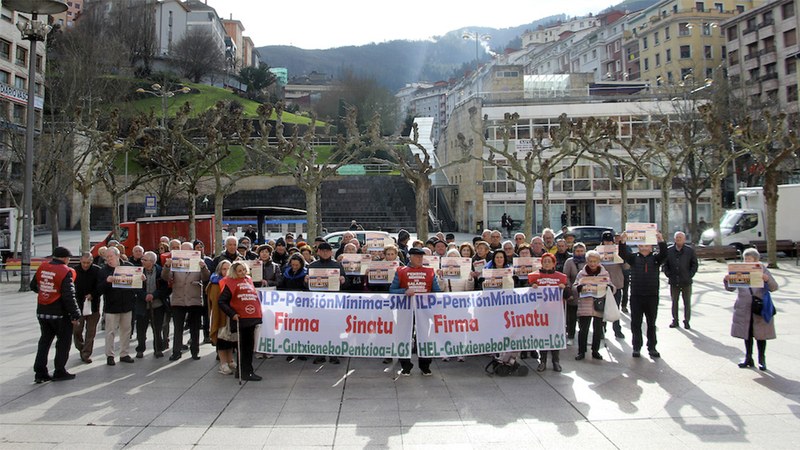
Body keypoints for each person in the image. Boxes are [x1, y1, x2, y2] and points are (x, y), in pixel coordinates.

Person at [31, 247, 81, 383]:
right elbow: (69, 296)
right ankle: (59, 370)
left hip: (42, 311)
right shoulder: (66, 271)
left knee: (44, 342)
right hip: (60, 314)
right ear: (65, 258)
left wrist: (47, 292)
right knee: (63, 342)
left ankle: (40, 372)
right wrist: (75, 314)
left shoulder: (42, 267)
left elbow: (33, 286)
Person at [390, 247, 442, 376]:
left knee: (425, 338)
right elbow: (392, 290)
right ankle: (405, 366)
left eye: (421, 257)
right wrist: (404, 291)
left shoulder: (429, 271)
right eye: (417, 256)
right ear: (410, 257)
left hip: (424, 311)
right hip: (406, 310)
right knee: (404, 337)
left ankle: (425, 365)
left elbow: (437, 291)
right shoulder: (401, 271)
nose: (420, 259)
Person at [724, 248, 778, 371]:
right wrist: (727, 280)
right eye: (746, 259)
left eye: (750, 259)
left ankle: (761, 359)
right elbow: (730, 289)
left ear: (756, 260)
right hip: (744, 307)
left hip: (759, 307)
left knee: (761, 334)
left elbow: (774, 287)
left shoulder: (763, 269)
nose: (747, 261)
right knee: (746, 334)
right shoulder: (740, 270)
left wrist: (766, 279)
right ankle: (748, 357)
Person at [619, 230, 667, 358]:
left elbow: (665, 254)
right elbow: (622, 254)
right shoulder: (634, 258)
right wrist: (622, 241)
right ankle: (636, 347)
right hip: (636, 296)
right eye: (641, 245)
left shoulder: (656, 259)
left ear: (651, 247)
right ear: (638, 247)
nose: (644, 248)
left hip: (652, 296)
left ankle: (652, 347)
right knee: (636, 323)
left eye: (646, 245)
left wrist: (661, 240)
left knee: (651, 323)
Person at [163, 243, 211, 361]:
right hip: (179, 299)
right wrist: (167, 266)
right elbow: (166, 277)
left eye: (188, 251)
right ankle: (176, 351)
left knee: (195, 327)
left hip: (194, 299)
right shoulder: (175, 262)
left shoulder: (199, 262)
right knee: (178, 327)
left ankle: (195, 351)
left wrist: (203, 267)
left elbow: (206, 278)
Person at [218, 261, 263, 381]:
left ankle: (242, 371)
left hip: (251, 316)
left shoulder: (248, 279)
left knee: (248, 346)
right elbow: (221, 301)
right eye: (239, 271)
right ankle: (246, 372)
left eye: (244, 270)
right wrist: (232, 314)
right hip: (241, 318)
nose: (242, 272)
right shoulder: (230, 282)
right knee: (245, 347)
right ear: (234, 272)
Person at [98, 247, 142, 366]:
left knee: (126, 330)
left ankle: (124, 353)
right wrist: (106, 281)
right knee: (110, 332)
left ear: (118, 256)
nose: (108, 259)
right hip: (112, 306)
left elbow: (137, 285)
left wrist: (141, 279)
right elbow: (99, 290)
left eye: (111, 257)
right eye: (107, 257)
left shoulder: (128, 266)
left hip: (127, 305)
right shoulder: (103, 271)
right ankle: (110, 355)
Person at [305, 242, 345, 364]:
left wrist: (343, 280)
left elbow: (345, 284)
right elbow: (307, 288)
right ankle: (319, 354)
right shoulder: (312, 266)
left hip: (333, 303)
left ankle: (333, 354)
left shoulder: (337, 266)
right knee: (318, 329)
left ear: (331, 252)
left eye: (327, 251)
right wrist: (305, 281)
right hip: (317, 303)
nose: (325, 253)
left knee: (334, 329)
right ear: (318, 252)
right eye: (322, 251)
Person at [528, 253, 566, 372]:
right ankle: (542, 361)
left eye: (549, 261)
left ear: (554, 263)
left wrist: (564, 288)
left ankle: (556, 361)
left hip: (556, 313)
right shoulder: (534, 276)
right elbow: (526, 293)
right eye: (545, 261)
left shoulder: (561, 277)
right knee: (543, 336)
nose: (547, 263)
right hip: (541, 312)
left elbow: (569, 295)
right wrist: (531, 286)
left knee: (555, 335)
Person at [574, 250, 611, 361]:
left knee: (598, 329)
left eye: (595, 261)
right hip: (585, 304)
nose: (593, 263)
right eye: (590, 261)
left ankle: (595, 350)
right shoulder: (581, 273)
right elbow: (575, 286)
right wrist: (579, 288)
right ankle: (581, 351)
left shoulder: (604, 273)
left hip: (598, 304)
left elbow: (611, 285)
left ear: (598, 261)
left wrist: (609, 287)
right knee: (583, 329)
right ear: (587, 261)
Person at [134, 251, 169, 359]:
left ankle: (158, 349)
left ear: (152, 261)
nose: (142, 261)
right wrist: (144, 295)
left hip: (157, 305)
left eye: (145, 260)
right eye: (142, 259)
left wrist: (154, 295)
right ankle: (140, 349)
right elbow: (135, 287)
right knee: (141, 329)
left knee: (157, 328)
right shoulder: (138, 271)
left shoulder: (160, 271)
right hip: (142, 304)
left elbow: (165, 288)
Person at [663, 231, 699, 330]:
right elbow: (665, 265)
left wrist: (690, 275)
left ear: (684, 239)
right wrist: (668, 274)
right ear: (674, 239)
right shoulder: (669, 250)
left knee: (687, 302)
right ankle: (675, 320)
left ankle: (686, 321)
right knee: (674, 301)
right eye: (677, 237)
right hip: (674, 281)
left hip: (686, 281)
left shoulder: (689, 251)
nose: (678, 239)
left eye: (680, 237)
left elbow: (694, 264)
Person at [208, 260, 237, 375]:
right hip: (221, 315)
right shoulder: (215, 282)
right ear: (220, 270)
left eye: (228, 268)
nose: (226, 271)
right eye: (224, 269)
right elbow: (215, 302)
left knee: (230, 339)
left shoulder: (233, 281)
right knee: (222, 339)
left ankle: (230, 360)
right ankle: (223, 363)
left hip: (231, 314)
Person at [72, 252, 101, 364]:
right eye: (83, 262)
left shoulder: (97, 271)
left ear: (92, 261)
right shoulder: (74, 271)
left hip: (93, 305)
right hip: (78, 305)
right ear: (80, 261)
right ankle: (81, 347)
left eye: (88, 263)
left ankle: (86, 353)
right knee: (77, 330)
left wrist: (93, 295)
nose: (85, 265)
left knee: (91, 331)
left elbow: (100, 286)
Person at [599, 231, 625, 339]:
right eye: (606, 241)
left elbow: (626, 266)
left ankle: (617, 330)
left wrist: (620, 257)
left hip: (616, 283)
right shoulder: (597, 252)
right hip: (602, 285)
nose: (608, 243)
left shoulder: (618, 251)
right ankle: (602, 329)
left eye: (610, 241)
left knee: (615, 307)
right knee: (601, 309)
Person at [563, 242, 587, 346]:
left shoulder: (587, 261)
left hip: (586, 294)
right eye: (577, 251)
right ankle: (571, 336)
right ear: (573, 252)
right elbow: (566, 276)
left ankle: (584, 338)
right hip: (573, 293)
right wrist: (570, 289)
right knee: (571, 318)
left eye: (582, 251)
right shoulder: (569, 262)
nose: (580, 253)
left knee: (584, 318)